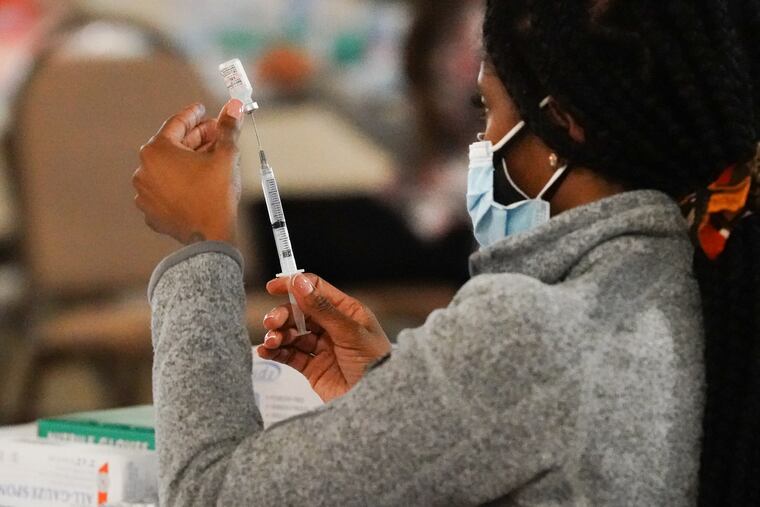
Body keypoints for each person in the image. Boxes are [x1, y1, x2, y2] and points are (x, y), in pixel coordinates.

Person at [132, 1, 760, 505]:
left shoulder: (531, 331)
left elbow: (206, 492)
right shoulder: (705, 274)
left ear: (564, 123)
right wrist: (394, 389)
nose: (481, 137)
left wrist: (205, 243)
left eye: (485, 106)